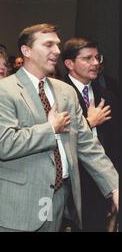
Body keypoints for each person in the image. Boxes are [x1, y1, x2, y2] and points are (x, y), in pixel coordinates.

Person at [0, 23, 119, 232]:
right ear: (26, 51)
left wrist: (114, 185)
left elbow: (88, 145)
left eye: (57, 45)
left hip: (55, 207)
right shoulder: (4, 90)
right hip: (14, 209)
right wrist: (50, 127)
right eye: (48, 45)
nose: (56, 51)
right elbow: (4, 144)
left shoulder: (65, 92)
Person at [62, 37, 121, 231]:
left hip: (99, 187)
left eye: (97, 57)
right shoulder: (57, 94)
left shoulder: (108, 95)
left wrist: (115, 186)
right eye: (88, 58)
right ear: (69, 64)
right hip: (68, 187)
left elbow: (116, 144)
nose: (96, 63)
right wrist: (89, 122)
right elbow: (56, 140)